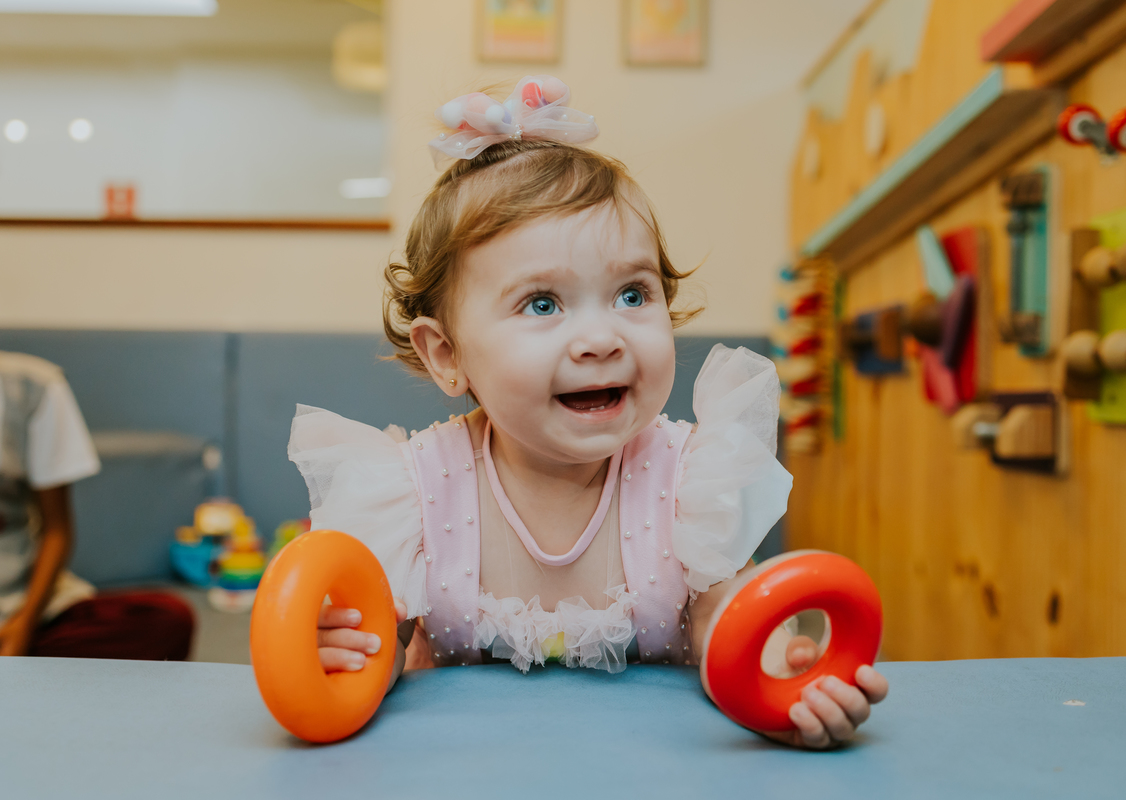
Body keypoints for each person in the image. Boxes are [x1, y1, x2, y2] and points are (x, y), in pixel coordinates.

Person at [287, 76, 887, 749]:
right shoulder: (412, 493)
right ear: (447, 353)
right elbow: (383, 645)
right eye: (542, 304)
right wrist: (347, 652)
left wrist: (772, 674)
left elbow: (720, 617)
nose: (603, 339)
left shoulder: (688, 479)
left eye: (633, 294)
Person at [0, 351, 194, 661]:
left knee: (167, 618)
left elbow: (56, 529)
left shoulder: (32, 387)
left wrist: (23, 624)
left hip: (22, 609)